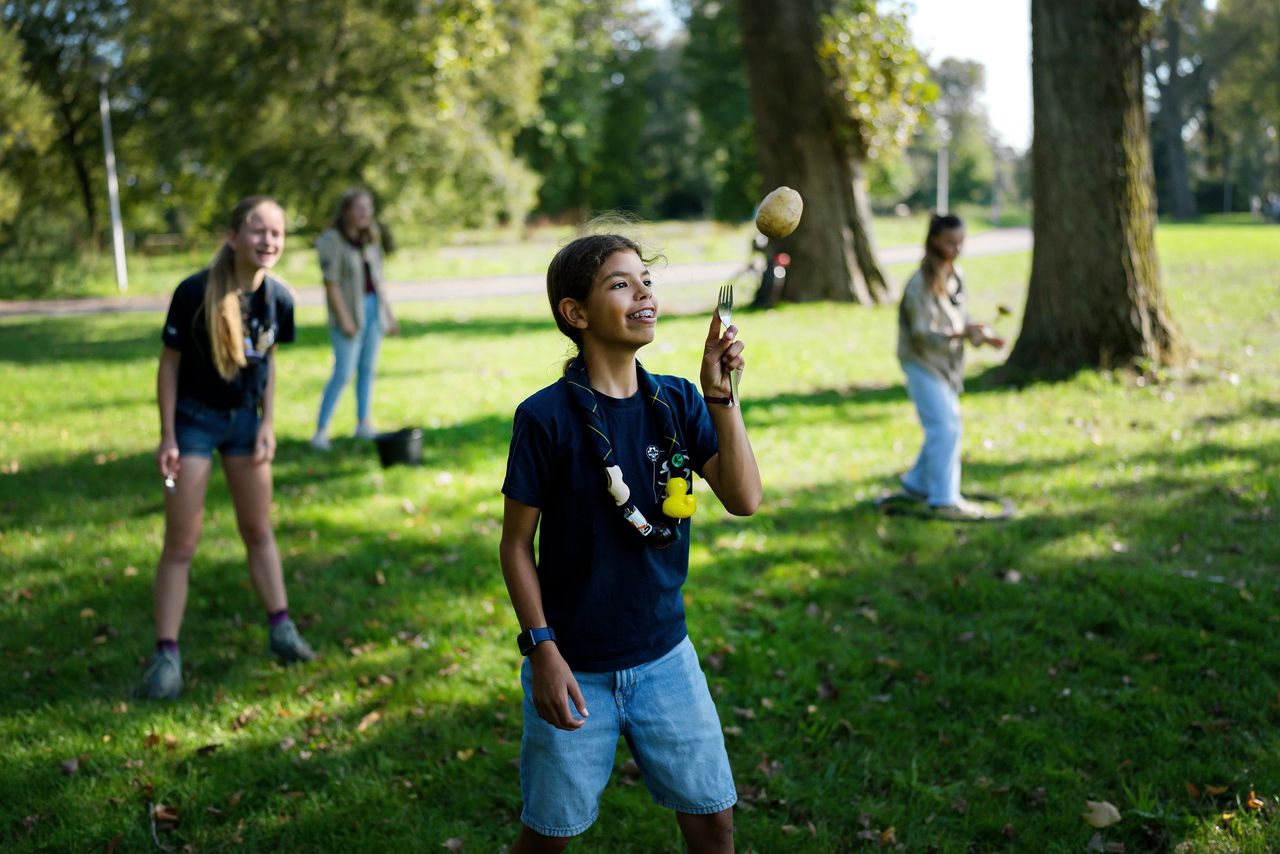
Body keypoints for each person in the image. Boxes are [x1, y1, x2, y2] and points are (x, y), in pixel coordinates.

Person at [500, 232, 762, 852]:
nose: (643, 291)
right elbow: (516, 546)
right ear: (577, 313)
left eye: (646, 279)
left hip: (666, 658)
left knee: (714, 821)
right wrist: (542, 650)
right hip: (575, 666)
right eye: (621, 283)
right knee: (549, 835)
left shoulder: (677, 401)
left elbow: (744, 498)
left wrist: (722, 394)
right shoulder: (545, 418)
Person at [143, 196, 315, 700]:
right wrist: (168, 434)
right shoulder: (194, 292)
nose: (268, 241)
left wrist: (268, 423)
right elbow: (169, 365)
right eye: (258, 230)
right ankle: (166, 657)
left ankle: (282, 631)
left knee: (258, 530)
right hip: (194, 423)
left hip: (245, 425)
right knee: (181, 543)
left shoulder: (279, 299)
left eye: (277, 232)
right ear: (234, 236)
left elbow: (269, 362)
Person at [895, 212, 1006, 520]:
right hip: (921, 362)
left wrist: (983, 334)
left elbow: (961, 317)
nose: (957, 249)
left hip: (947, 365)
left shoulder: (957, 275)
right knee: (944, 427)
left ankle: (917, 485)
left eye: (961, 242)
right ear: (933, 242)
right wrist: (963, 333)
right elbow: (922, 332)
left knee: (946, 424)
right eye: (950, 243)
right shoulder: (920, 283)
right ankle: (943, 499)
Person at [310, 188, 399, 449]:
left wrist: (388, 314)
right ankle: (321, 431)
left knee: (367, 369)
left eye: (368, 208)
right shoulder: (331, 241)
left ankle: (363, 423)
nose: (365, 213)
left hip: (373, 310)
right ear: (346, 211)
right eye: (359, 208)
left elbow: (379, 280)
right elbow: (331, 283)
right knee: (343, 372)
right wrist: (344, 319)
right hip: (349, 311)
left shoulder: (370, 239)